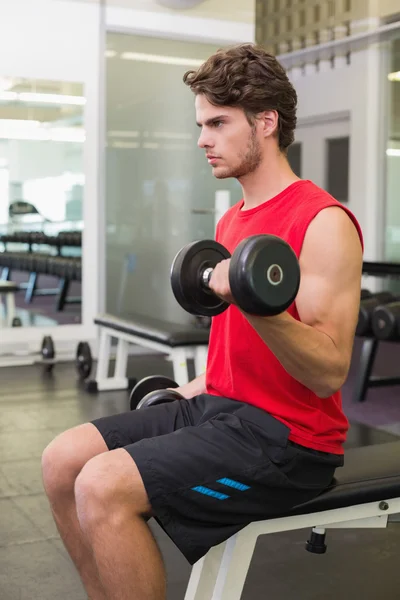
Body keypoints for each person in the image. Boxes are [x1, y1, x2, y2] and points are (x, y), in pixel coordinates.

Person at [41, 43, 363, 600]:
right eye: (200, 123)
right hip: (223, 408)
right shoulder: (233, 219)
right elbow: (237, 352)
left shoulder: (323, 221)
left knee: (103, 484)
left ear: (265, 122)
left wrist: (252, 300)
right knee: (64, 461)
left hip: (291, 441)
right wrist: (186, 388)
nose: (202, 139)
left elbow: (328, 371)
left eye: (218, 122)